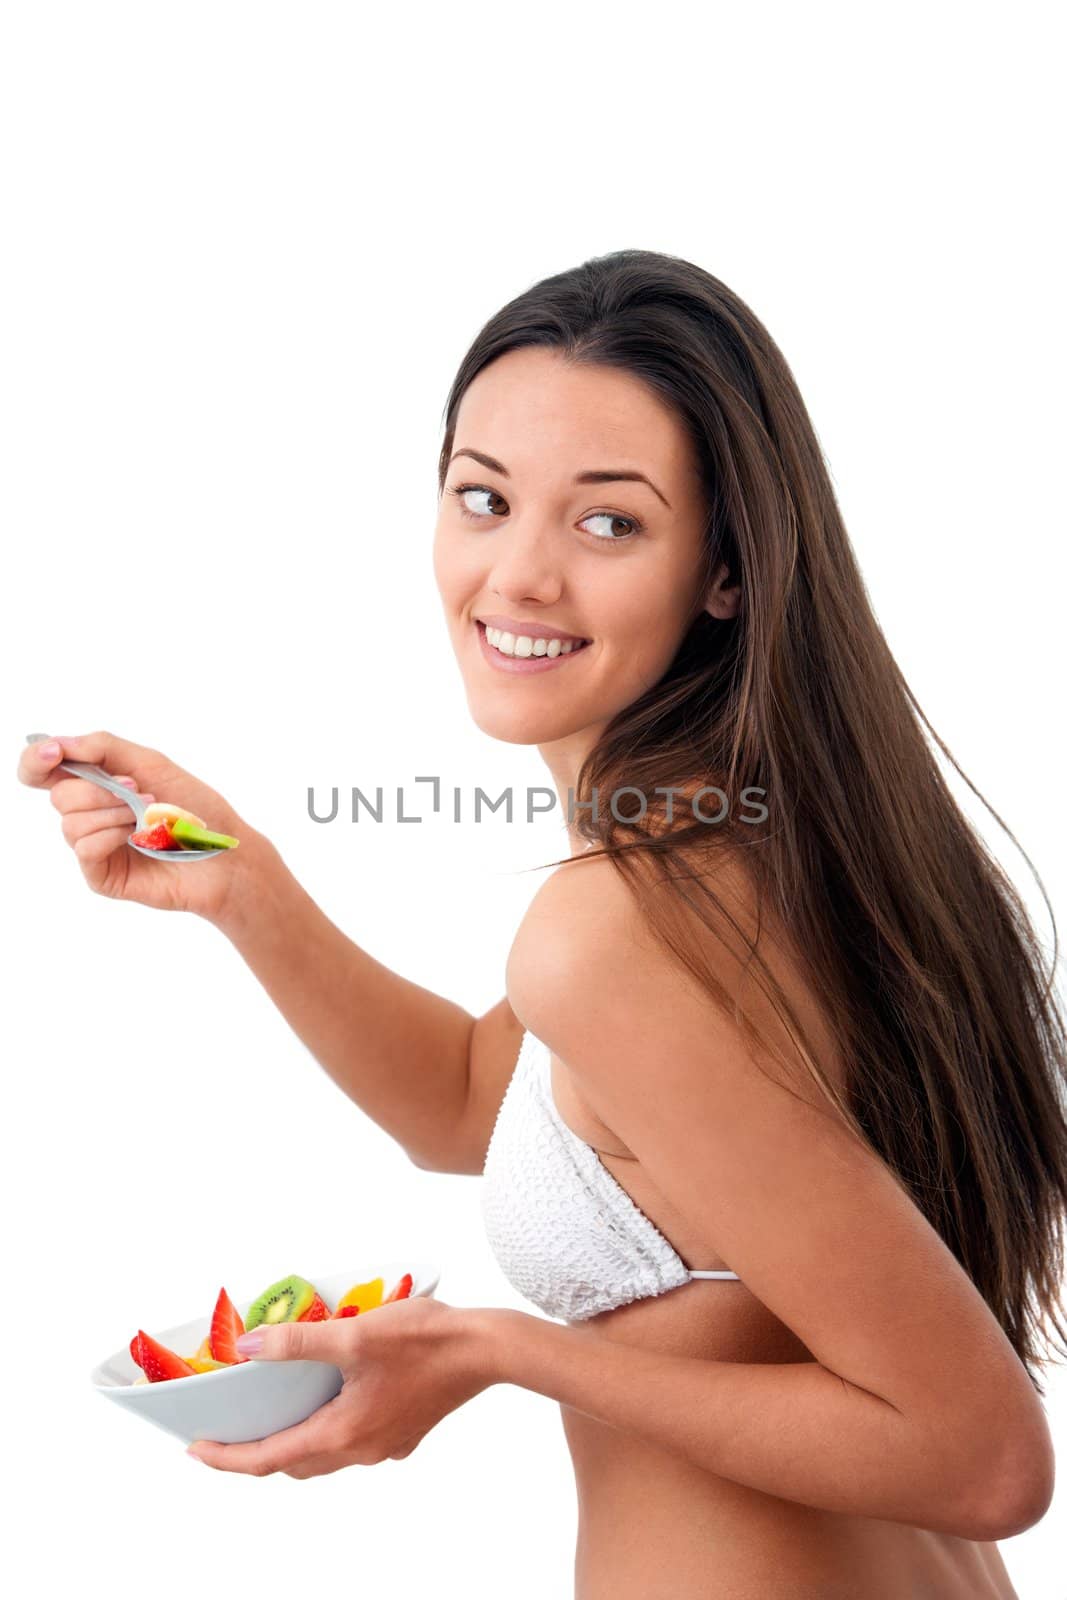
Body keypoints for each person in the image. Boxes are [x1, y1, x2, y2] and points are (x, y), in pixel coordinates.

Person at [18, 249, 1065, 1598]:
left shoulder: (620, 922)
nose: (517, 575)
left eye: (607, 523)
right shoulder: (732, 851)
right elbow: (469, 1099)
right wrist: (244, 884)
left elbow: (985, 1456)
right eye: (483, 497)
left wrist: (503, 1350)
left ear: (726, 570)